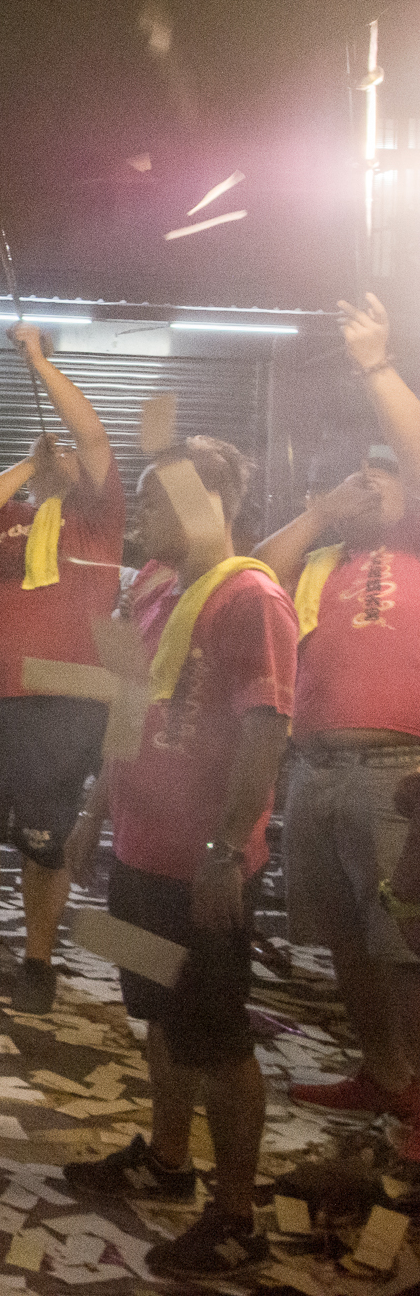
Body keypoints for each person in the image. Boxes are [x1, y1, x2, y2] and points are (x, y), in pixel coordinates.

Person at [62, 435, 292, 1279]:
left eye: (156, 501)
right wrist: (94, 812)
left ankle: (236, 1217)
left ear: (207, 501)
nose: (142, 518)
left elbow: (267, 729)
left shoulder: (252, 597)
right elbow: (131, 702)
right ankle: (166, 1158)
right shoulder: (160, 588)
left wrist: (227, 850)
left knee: (218, 1037)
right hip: (140, 850)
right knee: (159, 1011)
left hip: (202, 867)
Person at [253, 294, 420, 1143]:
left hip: (396, 776)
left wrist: (377, 365)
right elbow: (255, 574)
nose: (367, 486)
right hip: (314, 770)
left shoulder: (415, 547)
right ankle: (385, 1073)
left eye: (379, 476)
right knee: (347, 942)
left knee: (405, 944)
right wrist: (323, 510)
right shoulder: (323, 557)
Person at [0, 325, 121, 1009]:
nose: (67, 454)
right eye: (58, 450)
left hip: (62, 703)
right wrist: (29, 464)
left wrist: (40, 363)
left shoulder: (98, 521)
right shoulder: (13, 516)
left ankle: (39, 959)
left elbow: (95, 438)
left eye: (71, 453)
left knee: (44, 840)